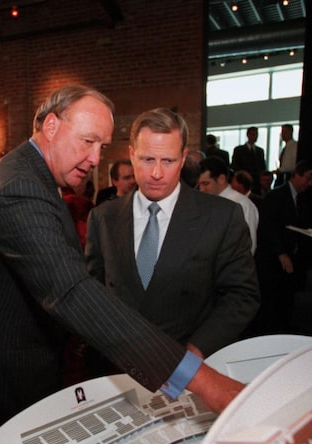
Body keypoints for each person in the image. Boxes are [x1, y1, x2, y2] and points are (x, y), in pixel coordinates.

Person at [0, 84, 246, 444]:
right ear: (51, 126)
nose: (96, 159)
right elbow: (73, 291)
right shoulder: (20, 188)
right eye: (87, 141)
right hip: (9, 378)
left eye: (102, 146)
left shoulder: (31, 176)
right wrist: (203, 381)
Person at [85, 108, 259, 369]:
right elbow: (92, 294)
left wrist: (195, 351)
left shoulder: (221, 216)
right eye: (146, 159)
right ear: (131, 155)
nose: (156, 173)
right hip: (117, 368)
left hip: (188, 367)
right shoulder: (103, 218)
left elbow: (242, 295)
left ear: (184, 158)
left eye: (167, 161)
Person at [253, 159, 312, 334]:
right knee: (271, 305)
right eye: (308, 178)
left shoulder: (302, 199)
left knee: (285, 306)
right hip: (272, 262)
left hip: (291, 261)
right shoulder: (276, 195)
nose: (310, 183)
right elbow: (267, 227)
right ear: (297, 174)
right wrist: (281, 253)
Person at [197, 156, 259, 254]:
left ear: (221, 179)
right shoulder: (203, 202)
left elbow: (248, 248)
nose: (201, 189)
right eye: (199, 185)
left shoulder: (242, 204)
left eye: (205, 184)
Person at [274, 123, 298, 188]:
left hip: (287, 176)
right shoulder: (285, 147)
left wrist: (280, 170)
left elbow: (291, 165)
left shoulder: (294, 146)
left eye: (285, 132)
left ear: (291, 132)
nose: (283, 134)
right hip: (282, 176)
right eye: (282, 132)